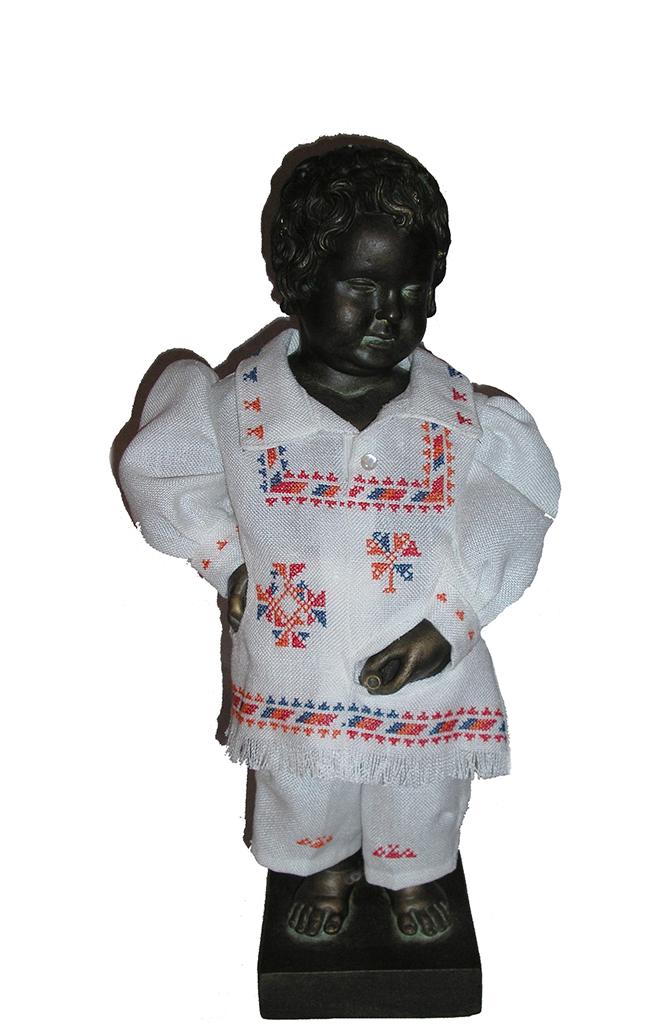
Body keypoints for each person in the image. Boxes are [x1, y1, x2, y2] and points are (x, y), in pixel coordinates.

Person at [118, 140, 560, 939]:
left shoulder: (462, 420)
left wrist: (451, 623)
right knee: (304, 777)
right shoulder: (238, 409)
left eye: (412, 290)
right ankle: (319, 865)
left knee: (418, 784)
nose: (390, 312)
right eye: (362, 287)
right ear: (298, 282)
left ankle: (412, 870)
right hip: (298, 659)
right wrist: (227, 561)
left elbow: (509, 514)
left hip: (421, 654)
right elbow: (170, 476)